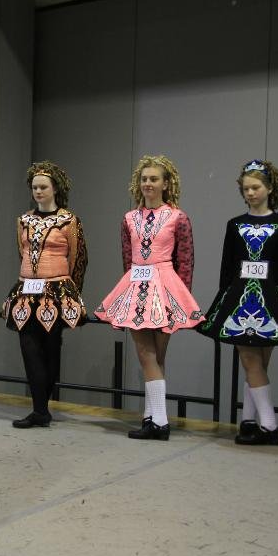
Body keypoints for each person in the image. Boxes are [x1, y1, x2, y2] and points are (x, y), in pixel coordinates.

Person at [95, 155, 203, 441]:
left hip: (166, 285)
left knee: (151, 355)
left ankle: (158, 422)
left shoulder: (178, 217)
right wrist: (128, 294)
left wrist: (181, 298)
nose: (148, 184)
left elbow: (186, 261)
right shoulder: (129, 219)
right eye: (144, 179)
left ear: (166, 184)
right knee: (150, 356)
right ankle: (152, 417)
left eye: (154, 179)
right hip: (137, 285)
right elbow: (127, 259)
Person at [197, 160, 278, 445]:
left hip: (271, 299)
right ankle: (269, 425)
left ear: (269, 188)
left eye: (255, 187)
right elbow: (227, 266)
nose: (250, 193)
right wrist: (223, 300)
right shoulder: (235, 224)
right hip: (239, 297)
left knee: (258, 362)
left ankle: (249, 421)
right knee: (249, 358)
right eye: (246, 188)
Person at [1, 161, 87, 428]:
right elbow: (21, 251)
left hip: (57, 290)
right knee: (28, 346)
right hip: (26, 289)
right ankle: (39, 409)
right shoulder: (23, 220)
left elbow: (79, 258)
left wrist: (72, 292)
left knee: (50, 348)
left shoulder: (69, 220)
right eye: (34, 187)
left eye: (43, 187)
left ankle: (42, 408)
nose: (38, 191)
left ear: (55, 189)